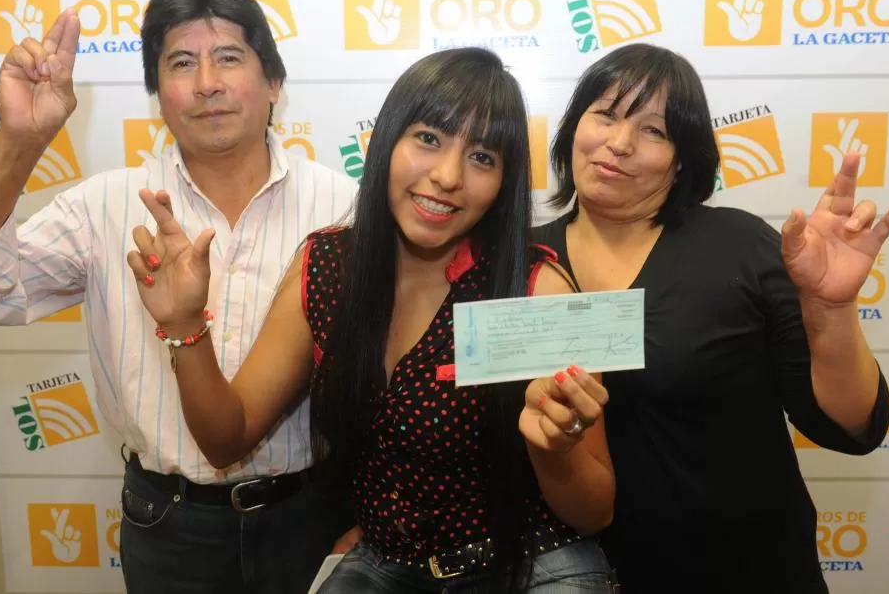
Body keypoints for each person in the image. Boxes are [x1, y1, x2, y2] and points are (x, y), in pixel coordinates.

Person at [124, 47, 617, 593]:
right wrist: (186, 326)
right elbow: (226, 438)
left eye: (482, 157)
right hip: (387, 565)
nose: (448, 176)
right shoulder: (327, 267)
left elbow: (594, 513)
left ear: (504, 182)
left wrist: (557, 448)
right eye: (428, 138)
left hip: (529, 561)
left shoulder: (534, 290)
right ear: (386, 142)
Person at [0, 0, 358, 594]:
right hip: (167, 524)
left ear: (274, 82)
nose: (207, 82)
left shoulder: (343, 207)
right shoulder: (106, 205)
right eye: (182, 62)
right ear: (158, 94)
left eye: (229, 57)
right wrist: (18, 141)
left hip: (310, 516)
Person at [532, 43, 889, 594]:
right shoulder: (519, 263)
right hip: (575, 576)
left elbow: (849, 427)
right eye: (605, 115)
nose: (619, 143)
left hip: (749, 569)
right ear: (572, 128)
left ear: (683, 157)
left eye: (654, 131)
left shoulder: (740, 246)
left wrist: (831, 307)